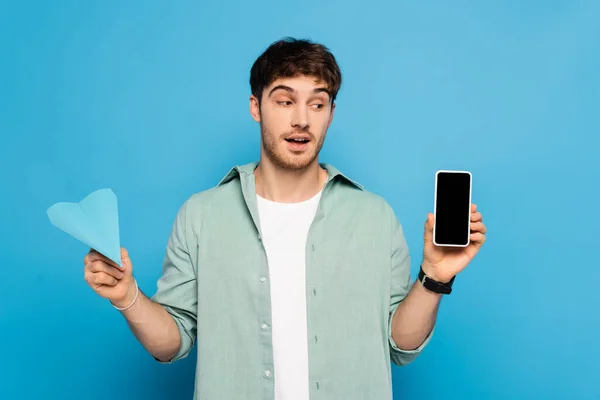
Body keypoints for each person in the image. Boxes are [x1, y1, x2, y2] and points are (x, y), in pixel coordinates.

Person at [83, 37, 487, 400]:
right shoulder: (202, 215)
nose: (302, 120)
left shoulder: (374, 216)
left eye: (317, 102)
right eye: (285, 100)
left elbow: (400, 344)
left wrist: (435, 276)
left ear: (330, 113)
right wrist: (128, 297)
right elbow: (171, 343)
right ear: (256, 107)